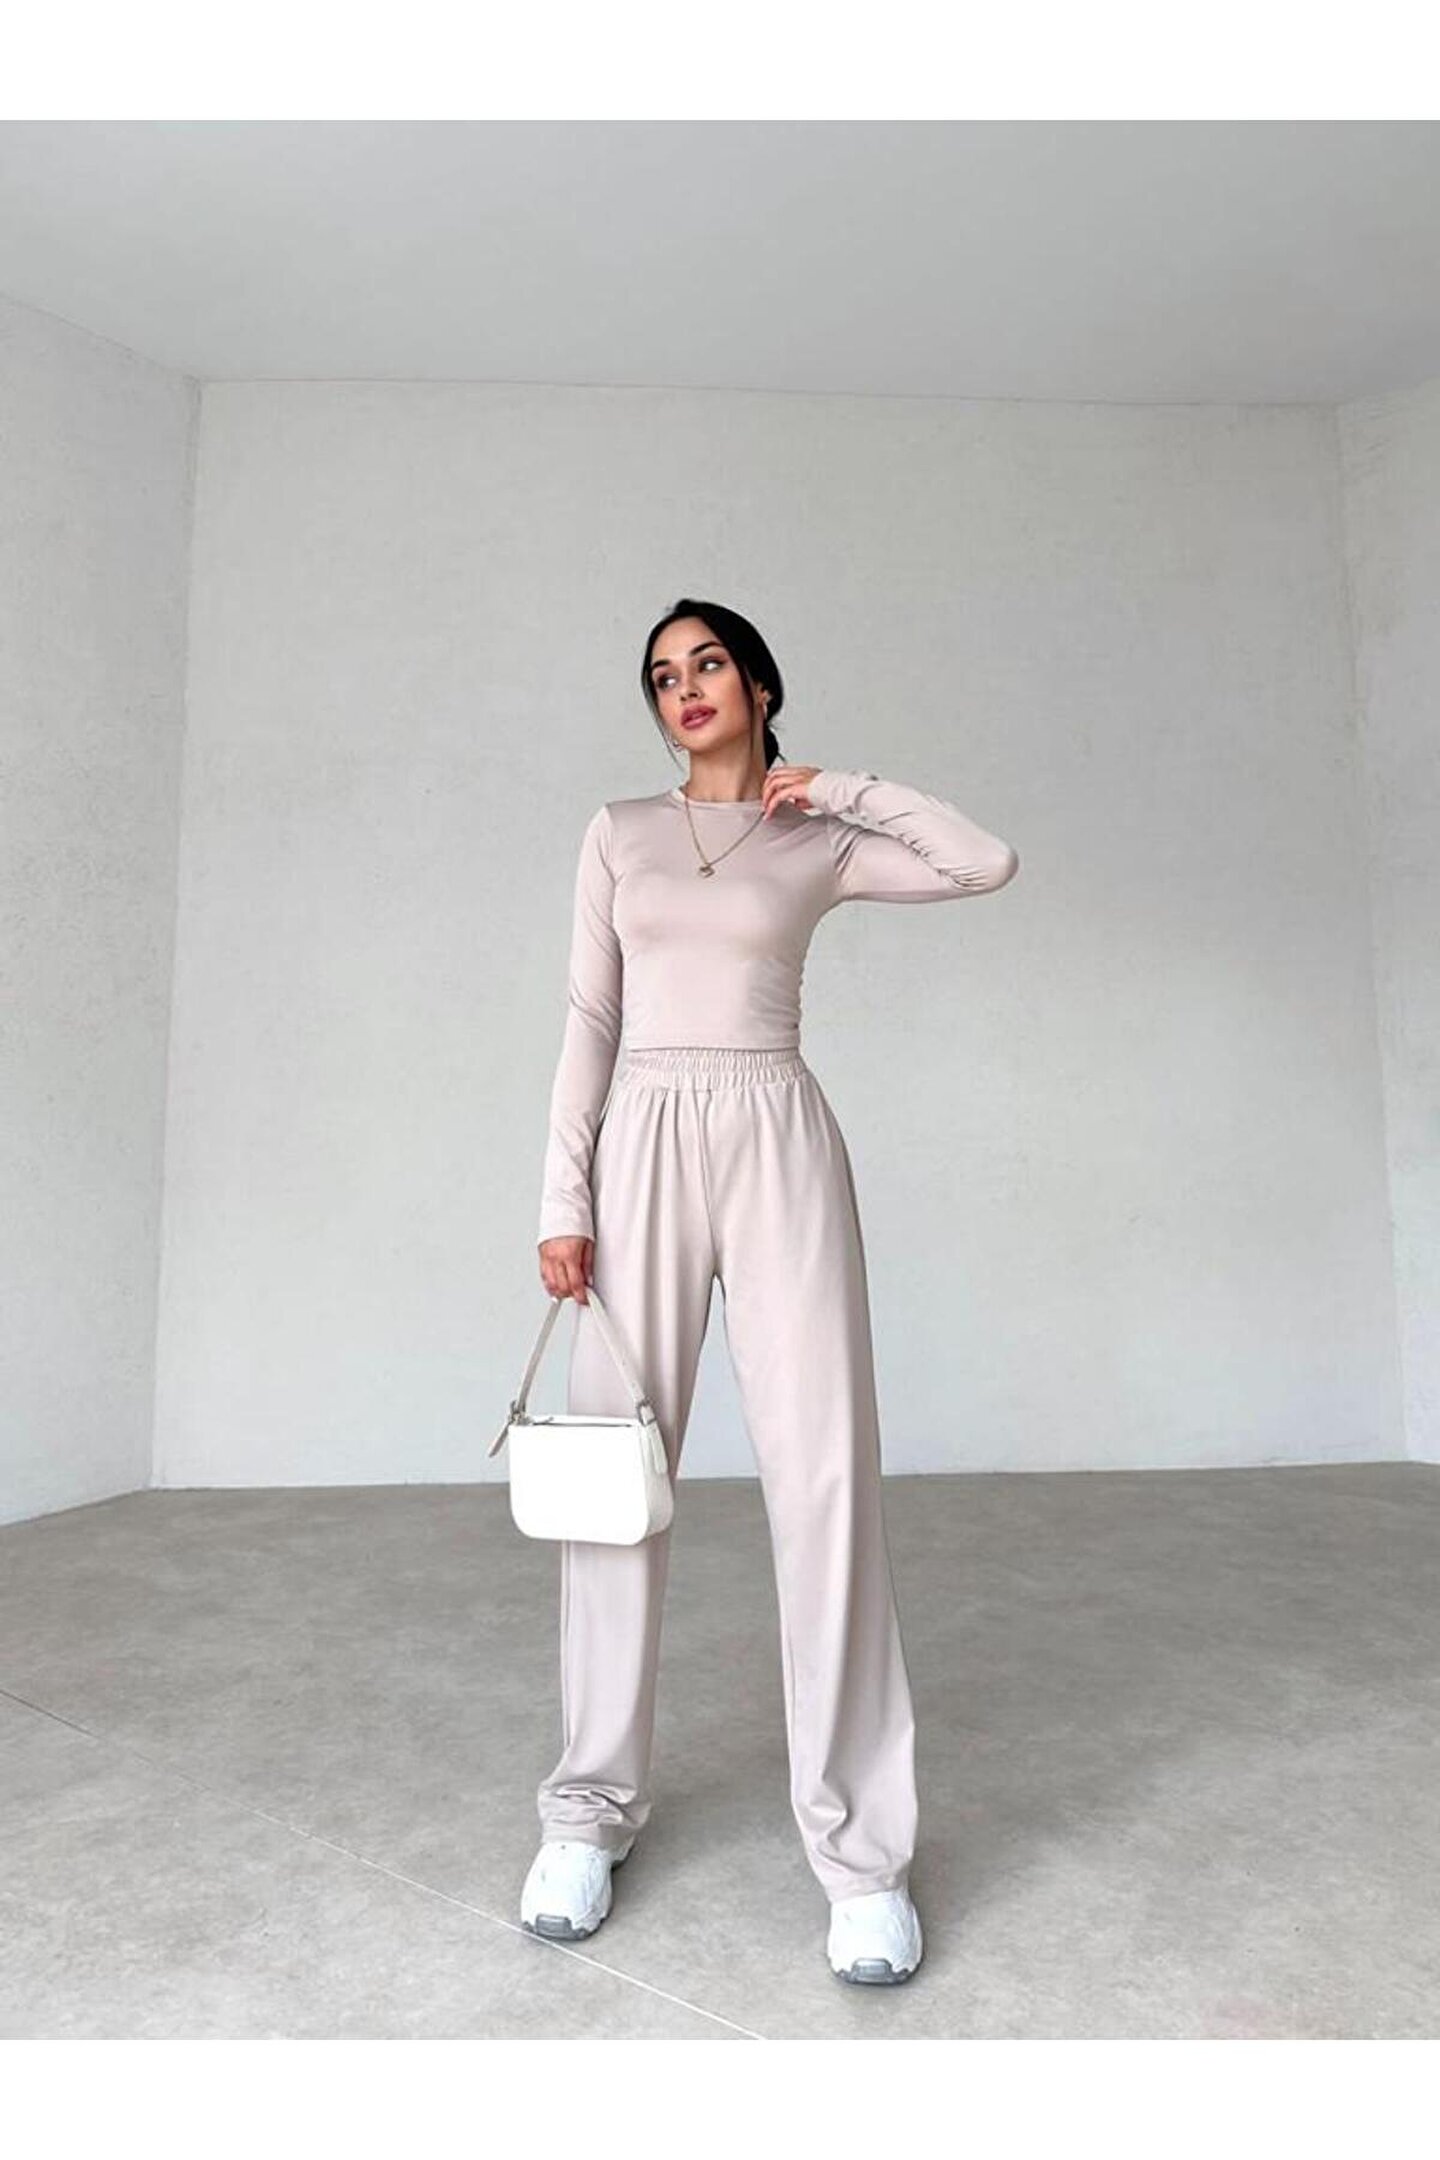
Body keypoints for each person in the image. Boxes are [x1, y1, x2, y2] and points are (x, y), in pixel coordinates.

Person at [519, 596, 1019, 1984]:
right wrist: (564, 1202)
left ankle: (863, 1859)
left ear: (757, 682)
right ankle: (586, 1813)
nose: (684, 689)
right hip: (640, 1137)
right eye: (662, 676)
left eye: (709, 664)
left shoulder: (818, 838)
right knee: (611, 1481)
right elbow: (591, 1019)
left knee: (826, 1481)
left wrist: (839, 786)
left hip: (778, 1134)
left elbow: (983, 861)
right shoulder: (620, 832)